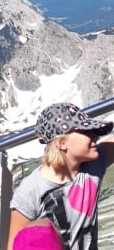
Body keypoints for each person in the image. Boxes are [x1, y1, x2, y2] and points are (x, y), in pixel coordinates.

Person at [9, 102, 114, 250]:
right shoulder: (30, 191)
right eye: (86, 132)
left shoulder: (94, 163)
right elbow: (15, 245)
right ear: (61, 143)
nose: (95, 137)